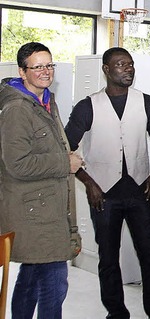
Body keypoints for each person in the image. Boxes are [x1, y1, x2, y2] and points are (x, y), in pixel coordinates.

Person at [65, 47, 150, 319]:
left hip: (140, 193)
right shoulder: (87, 106)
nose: (128, 69)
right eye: (121, 64)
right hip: (104, 196)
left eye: (131, 64)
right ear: (106, 70)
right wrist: (88, 182)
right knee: (109, 258)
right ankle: (116, 312)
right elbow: (65, 150)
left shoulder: (145, 102)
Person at [0, 42, 83, 319]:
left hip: (48, 207)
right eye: (38, 67)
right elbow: (17, 164)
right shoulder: (17, 109)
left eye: (49, 65)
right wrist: (64, 162)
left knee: (32, 277)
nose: (45, 72)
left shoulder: (45, 99)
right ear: (23, 72)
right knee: (54, 283)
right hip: (33, 213)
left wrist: (62, 155)